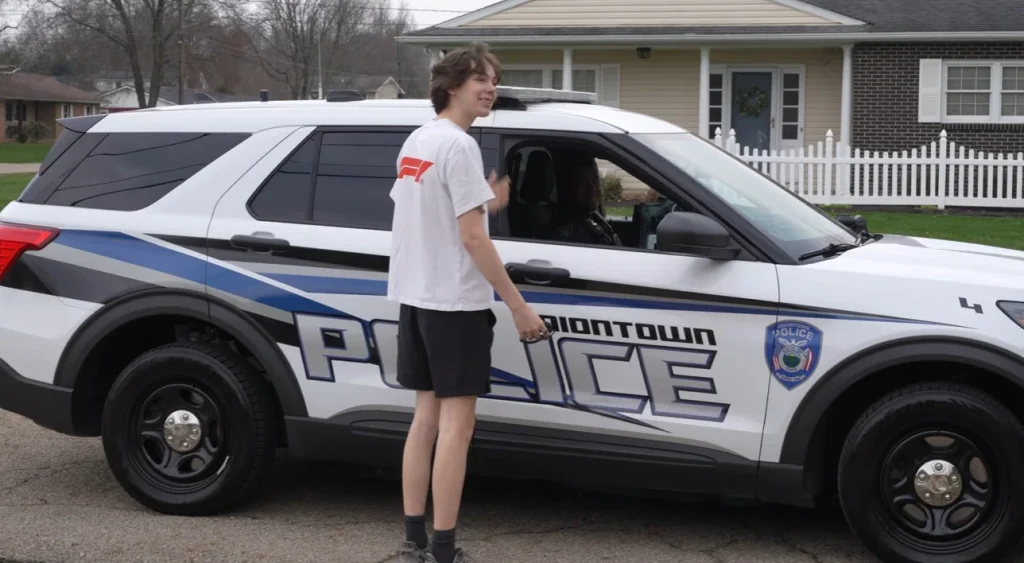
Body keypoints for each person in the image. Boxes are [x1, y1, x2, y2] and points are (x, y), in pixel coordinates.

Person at [386, 43, 550, 563]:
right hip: (453, 304)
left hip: (416, 298)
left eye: (494, 79)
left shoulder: (418, 141)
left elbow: (426, 207)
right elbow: (473, 239)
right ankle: (445, 549)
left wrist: (484, 200)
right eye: (480, 78)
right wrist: (519, 306)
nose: (491, 88)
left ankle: (414, 540)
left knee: (425, 421)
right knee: (456, 427)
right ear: (452, 85)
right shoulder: (458, 146)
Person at [545, 150, 621, 246]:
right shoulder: (569, 234)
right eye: (583, 183)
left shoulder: (593, 218)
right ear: (569, 188)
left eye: (595, 180)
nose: (592, 189)